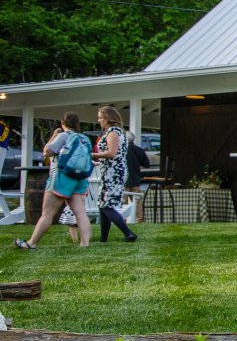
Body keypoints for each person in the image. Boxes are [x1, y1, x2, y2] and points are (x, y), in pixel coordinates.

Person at [15, 112, 92, 249]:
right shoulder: (84, 138)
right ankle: (84, 243)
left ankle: (31, 243)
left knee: (47, 213)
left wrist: (54, 136)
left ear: (63, 123)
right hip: (80, 179)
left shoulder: (63, 136)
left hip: (62, 177)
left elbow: (47, 152)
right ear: (77, 124)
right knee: (80, 212)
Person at [93, 106, 137, 243]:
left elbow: (111, 153)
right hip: (111, 170)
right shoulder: (118, 132)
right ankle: (103, 238)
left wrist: (93, 155)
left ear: (108, 119)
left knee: (106, 205)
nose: (99, 120)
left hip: (113, 172)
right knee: (103, 204)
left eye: (101, 117)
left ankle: (128, 233)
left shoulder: (113, 132)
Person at [126, 131, 151, 223]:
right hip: (135, 180)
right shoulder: (139, 150)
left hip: (124, 181)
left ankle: (121, 220)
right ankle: (139, 220)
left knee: (121, 203)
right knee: (137, 202)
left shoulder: (121, 149)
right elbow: (147, 164)